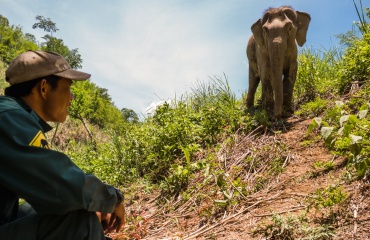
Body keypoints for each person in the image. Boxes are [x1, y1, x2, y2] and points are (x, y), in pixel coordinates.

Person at [0, 50, 125, 240]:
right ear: (44, 88)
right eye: (67, 87)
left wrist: (88, 203)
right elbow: (59, 183)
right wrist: (112, 199)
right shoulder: (9, 119)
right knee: (78, 218)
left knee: (68, 207)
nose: (72, 96)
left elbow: (51, 186)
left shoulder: (12, 115)